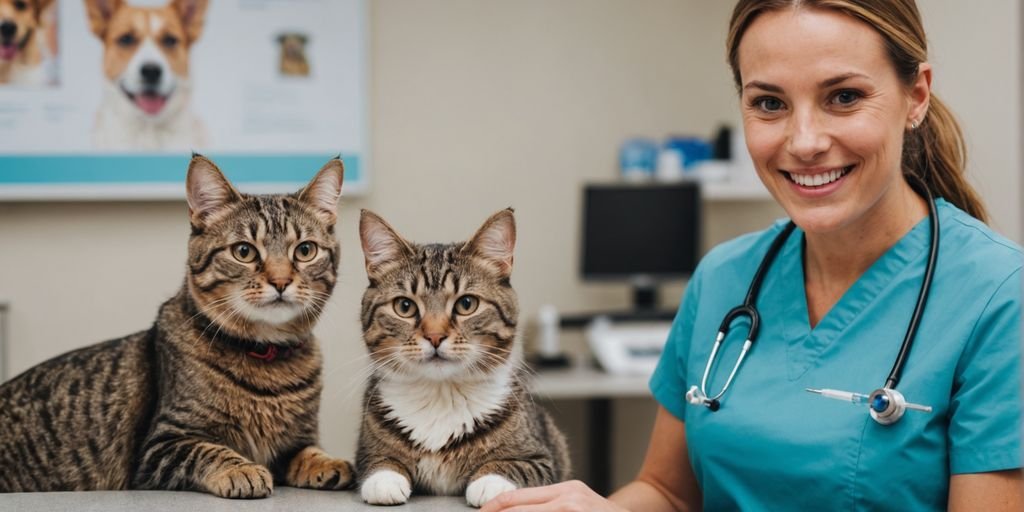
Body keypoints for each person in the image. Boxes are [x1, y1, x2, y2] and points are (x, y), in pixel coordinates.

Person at [481, 0, 1023, 510]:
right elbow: (668, 494)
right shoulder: (724, 277)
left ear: (917, 95)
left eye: (844, 97)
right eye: (770, 103)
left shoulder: (999, 298)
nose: (804, 141)